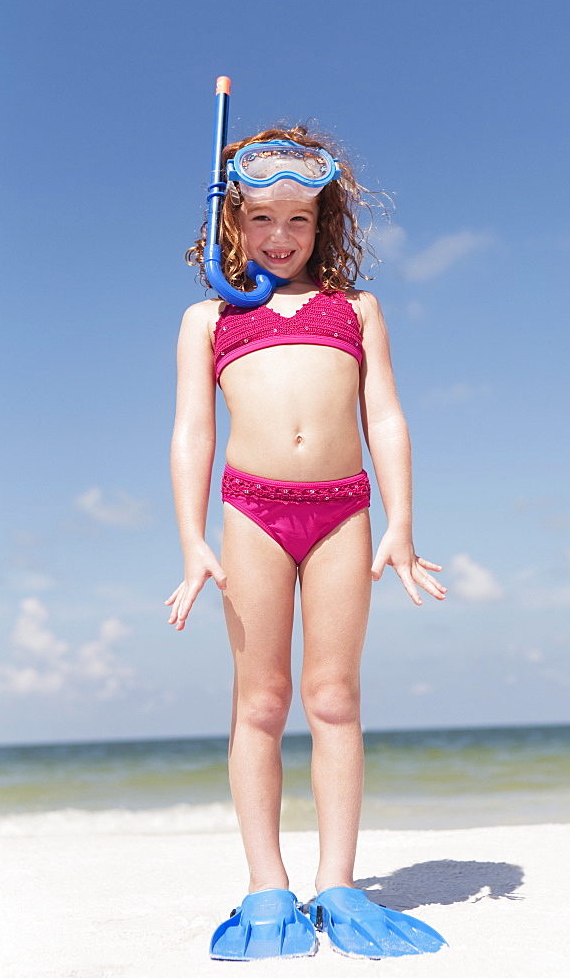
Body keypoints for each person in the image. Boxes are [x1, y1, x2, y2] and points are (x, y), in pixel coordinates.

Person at [165, 128, 447, 960]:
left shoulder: (355, 308)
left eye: (299, 218)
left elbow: (385, 415)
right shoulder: (209, 318)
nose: (280, 236)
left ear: (325, 222)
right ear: (231, 221)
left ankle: (338, 884)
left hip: (343, 509)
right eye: (262, 218)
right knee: (260, 702)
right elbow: (191, 432)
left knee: (334, 699)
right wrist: (191, 539)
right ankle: (265, 885)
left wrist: (401, 521)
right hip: (251, 510)